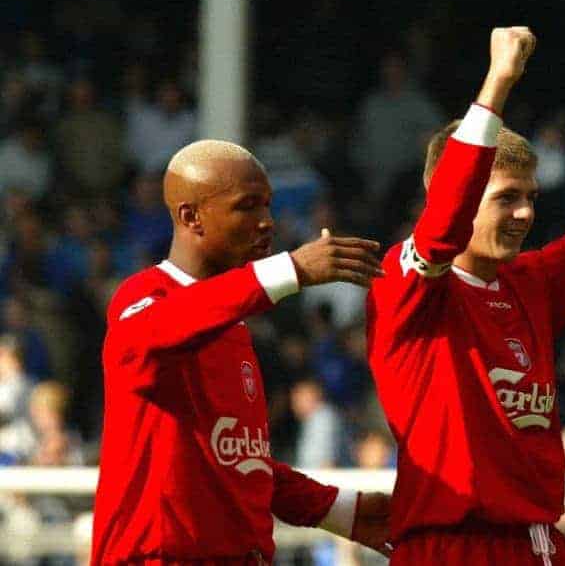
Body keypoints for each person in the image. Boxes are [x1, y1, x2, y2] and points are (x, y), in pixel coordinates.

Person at [367, 27, 565, 564]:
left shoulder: (533, 282)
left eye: (531, 198)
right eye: (506, 198)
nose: (525, 213)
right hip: (449, 547)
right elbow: (443, 226)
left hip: (538, 542)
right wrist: (498, 82)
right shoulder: (406, 286)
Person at [92, 140, 390, 564]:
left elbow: (239, 463)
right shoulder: (143, 298)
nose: (266, 222)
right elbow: (150, 335)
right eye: (247, 206)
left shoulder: (235, 324)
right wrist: (289, 270)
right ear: (191, 216)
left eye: (267, 206)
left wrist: (344, 511)